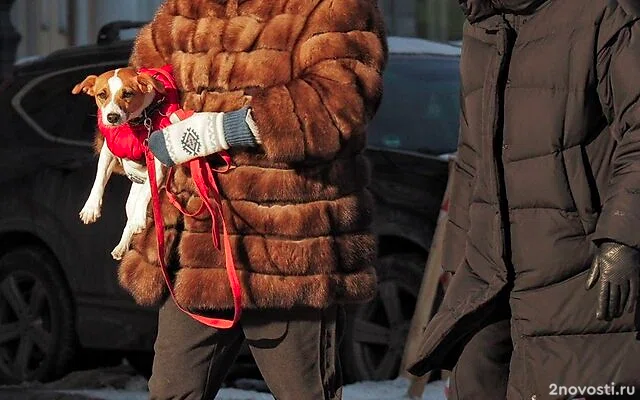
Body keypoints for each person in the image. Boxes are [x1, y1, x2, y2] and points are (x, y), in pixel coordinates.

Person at [117, 0, 387, 399]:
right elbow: (138, 90)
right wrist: (134, 143)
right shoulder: (183, 10)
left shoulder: (330, 6)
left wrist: (230, 129)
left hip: (288, 249)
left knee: (303, 394)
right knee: (171, 393)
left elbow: (341, 98)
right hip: (194, 249)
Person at [407, 0, 640, 399]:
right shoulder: (482, 25)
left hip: (576, 277)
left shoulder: (601, 12)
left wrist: (621, 237)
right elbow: (471, 157)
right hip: (486, 279)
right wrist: (454, 262)